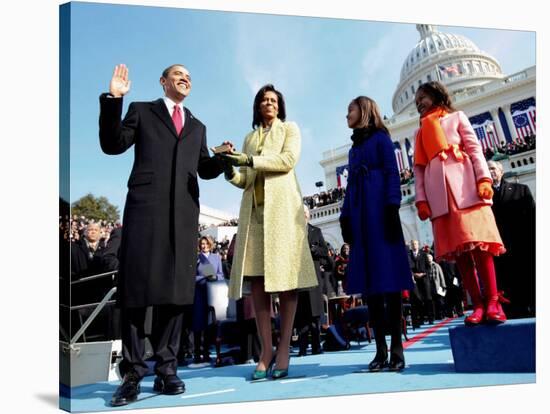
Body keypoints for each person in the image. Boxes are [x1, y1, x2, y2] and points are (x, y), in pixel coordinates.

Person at [99, 64, 224, 406]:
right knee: (137, 291)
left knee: (176, 293)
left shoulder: (197, 126)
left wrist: (222, 159)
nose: (186, 77)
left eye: (190, 75)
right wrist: (114, 99)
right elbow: (112, 144)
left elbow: (204, 168)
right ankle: (133, 373)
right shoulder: (142, 111)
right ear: (163, 81)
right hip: (145, 211)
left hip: (183, 217)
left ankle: (167, 369)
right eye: (179, 74)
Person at [218, 84, 318, 380]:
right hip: (255, 215)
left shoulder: (290, 129)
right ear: (257, 106)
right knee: (258, 284)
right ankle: (266, 350)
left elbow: (287, 161)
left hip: (283, 213)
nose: (269, 103)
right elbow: (245, 179)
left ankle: (284, 348)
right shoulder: (249, 138)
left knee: (286, 282)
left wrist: (249, 160)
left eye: (273, 100)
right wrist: (229, 169)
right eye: (264, 100)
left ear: (280, 106)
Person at [413, 81, 506, 327]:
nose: (419, 103)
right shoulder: (420, 132)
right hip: (440, 197)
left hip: (466, 188)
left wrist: (484, 178)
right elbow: (419, 170)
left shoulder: (456, 118)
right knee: (461, 255)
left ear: (435, 95)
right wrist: (421, 199)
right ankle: (476, 303)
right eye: (416, 100)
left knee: (481, 248)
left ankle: (493, 301)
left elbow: (474, 150)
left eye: (423, 97)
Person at [340, 96, 414, 372]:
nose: (346, 114)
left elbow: (393, 173)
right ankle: (380, 349)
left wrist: (392, 205)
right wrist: (345, 215)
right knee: (371, 287)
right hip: (360, 216)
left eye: (350, 109)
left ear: (364, 110)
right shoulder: (354, 148)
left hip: (381, 214)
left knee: (390, 283)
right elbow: (350, 186)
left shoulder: (382, 139)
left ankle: (397, 348)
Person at [488, 160, 536, 318]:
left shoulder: (520, 190)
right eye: (487, 169)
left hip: (523, 247)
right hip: (500, 252)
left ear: (501, 171)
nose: (491, 171)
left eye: (493, 168)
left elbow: (532, 219)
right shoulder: (483, 199)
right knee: (509, 291)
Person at [295, 205, 328, 356]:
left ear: (309, 215)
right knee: (302, 315)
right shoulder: (293, 232)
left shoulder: (316, 231)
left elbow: (325, 252)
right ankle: (302, 348)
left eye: (305, 213)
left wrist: (315, 250)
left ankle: (316, 346)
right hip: (299, 278)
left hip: (314, 277)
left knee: (315, 315)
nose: (303, 215)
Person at [192, 236, 224, 363]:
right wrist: (204, 278)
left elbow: (221, 275)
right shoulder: (196, 258)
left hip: (213, 294)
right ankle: (197, 353)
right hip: (199, 294)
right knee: (198, 324)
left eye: (206, 243)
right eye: (202, 244)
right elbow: (192, 278)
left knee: (210, 325)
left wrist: (215, 277)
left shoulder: (216, 258)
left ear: (210, 245)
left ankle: (206, 353)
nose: (204, 246)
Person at [408, 239, 434, 326]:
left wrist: (423, 273)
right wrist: (414, 274)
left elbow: (428, 266)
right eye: (412, 244)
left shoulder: (423, 254)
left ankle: (431, 318)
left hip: (424, 279)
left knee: (428, 298)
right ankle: (421, 318)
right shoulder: (409, 255)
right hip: (415, 280)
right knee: (418, 299)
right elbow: (408, 268)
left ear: (418, 245)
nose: (414, 245)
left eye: (415, 244)